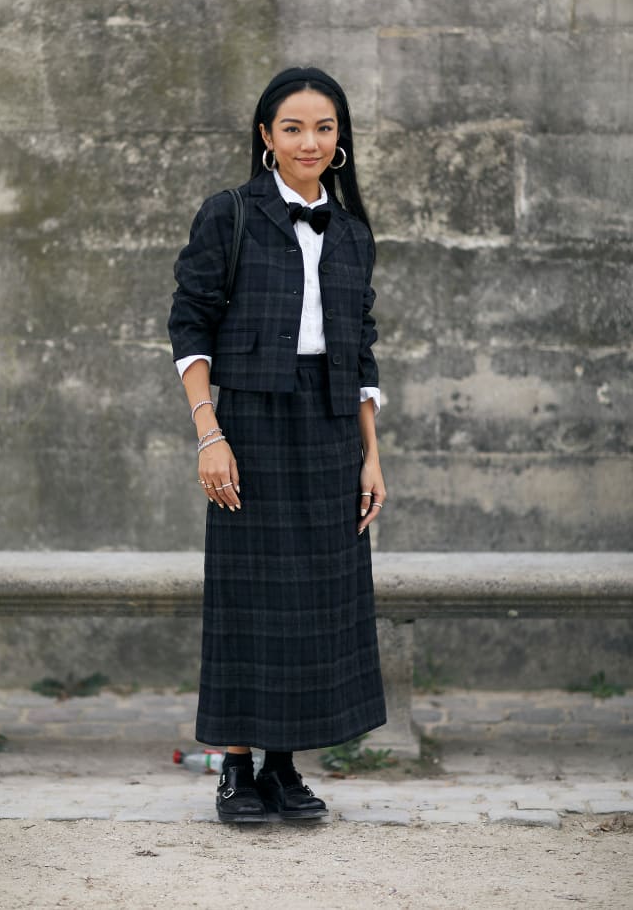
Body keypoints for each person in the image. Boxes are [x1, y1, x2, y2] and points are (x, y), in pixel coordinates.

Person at [168, 65, 387, 823]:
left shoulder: (354, 232)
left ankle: (285, 766)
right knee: (246, 599)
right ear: (266, 137)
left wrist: (372, 455)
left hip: (329, 429)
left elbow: (361, 351)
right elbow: (189, 325)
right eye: (292, 127)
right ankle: (235, 768)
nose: (310, 141)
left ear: (340, 139)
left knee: (319, 603)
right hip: (250, 428)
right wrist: (210, 434)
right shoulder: (228, 215)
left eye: (324, 127)